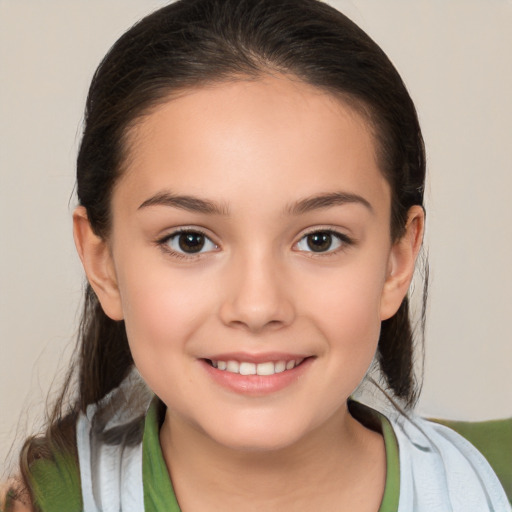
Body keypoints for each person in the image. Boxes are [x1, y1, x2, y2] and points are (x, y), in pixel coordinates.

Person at [1, 0, 510, 510]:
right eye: (190, 240)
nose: (258, 306)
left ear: (397, 262)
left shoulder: (494, 481)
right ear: (103, 264)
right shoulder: (45, 502)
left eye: (320, 240)